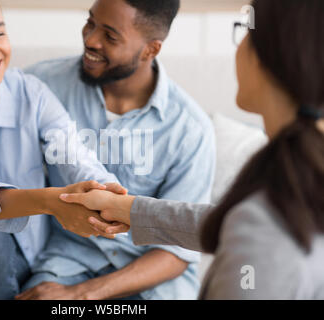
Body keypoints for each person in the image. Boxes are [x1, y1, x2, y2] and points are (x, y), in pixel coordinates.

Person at [0, 0, 216, 300]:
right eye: (90, 23)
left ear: (150, 50)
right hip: (63, 264)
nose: (90, 40)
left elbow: (76, 157)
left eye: (110, 36)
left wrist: (106, 195)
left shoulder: (190, 130)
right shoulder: (44, 81)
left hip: (149, 284)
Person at [59, 0, 324, 299]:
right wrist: (127, 208)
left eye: (246, 32)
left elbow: (244, 227)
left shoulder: (265, 230)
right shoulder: (293, 184)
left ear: (275, 59)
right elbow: (225, 222)